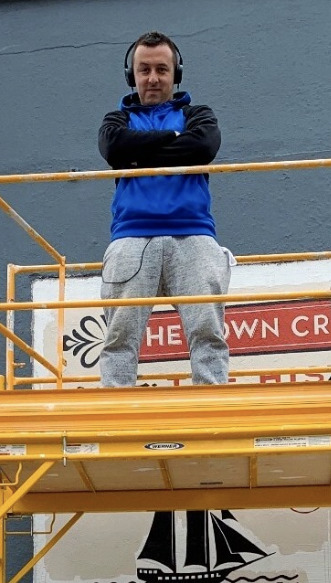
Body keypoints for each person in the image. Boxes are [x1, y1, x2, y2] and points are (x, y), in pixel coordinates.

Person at [98, 29, 230, 387]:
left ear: (176, 74)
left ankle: (213, 415)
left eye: (161, 69)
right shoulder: (116, 121)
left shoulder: (198, 114)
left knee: (209, 335)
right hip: (131, 238)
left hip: (194, 234)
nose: (153, 78)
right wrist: (173, 140)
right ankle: (116, 420)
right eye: (144, 70)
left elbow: (202, 148)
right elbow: (114, 149)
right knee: (118, 339)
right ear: (132, 76)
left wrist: (139, 153)